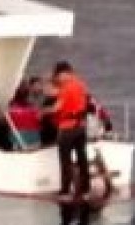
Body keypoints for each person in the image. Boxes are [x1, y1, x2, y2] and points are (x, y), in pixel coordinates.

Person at [49, 61, 90, 200]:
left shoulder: (66, 88)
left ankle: (65, 191)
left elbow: (57, 108)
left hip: (67, 128)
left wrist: (44, 111)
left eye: (58, 76)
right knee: (82, 158)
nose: (58, 79)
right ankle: (86, 189)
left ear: (63, 73)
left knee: (65, 160)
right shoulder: (80, 84)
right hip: (80, 126)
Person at [6, 83, 41, 148]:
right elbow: (38, 118)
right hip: (33, 135)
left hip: (17, 135)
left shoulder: (10, 107)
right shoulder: (33, 107)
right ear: (27, 94)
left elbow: (6, 120)